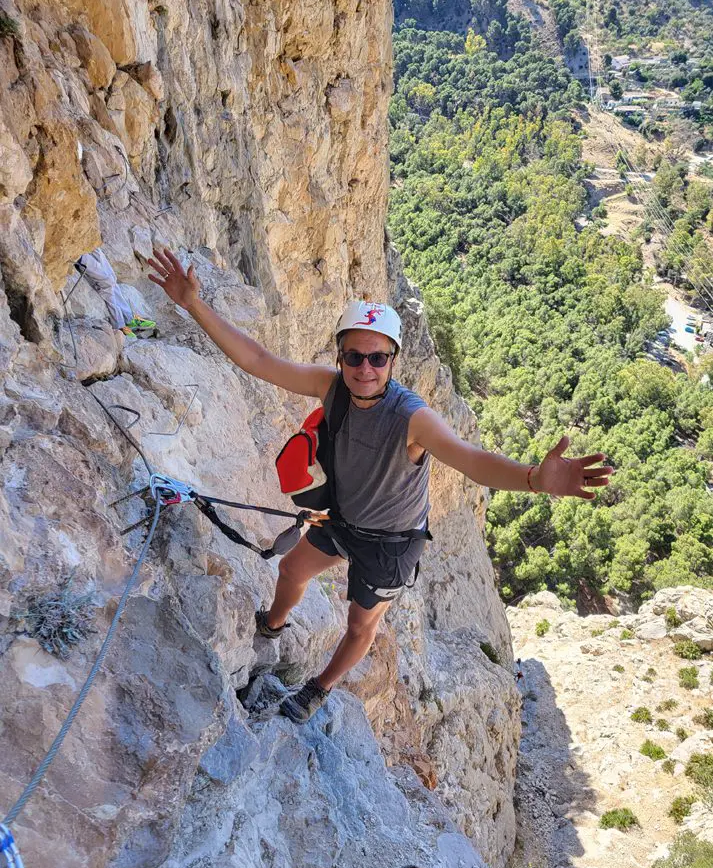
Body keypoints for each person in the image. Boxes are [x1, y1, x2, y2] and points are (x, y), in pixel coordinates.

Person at [148, 248, 613, 724]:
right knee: (291, 570)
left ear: (393, 360)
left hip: (390, 544)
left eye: (378, 357)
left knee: (359, 624)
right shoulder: (331, 387)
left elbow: (472, 461)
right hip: (342, 518)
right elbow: (258, 359)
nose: (365, 368)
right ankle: (272, 626)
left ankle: (318, 688)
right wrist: (193, 304)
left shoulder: (412, 418)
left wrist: (533, 479)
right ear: (340, 356)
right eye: (354, 356)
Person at [76, 247, 156, 341]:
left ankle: (129, 319)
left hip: (87, 244)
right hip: (77, 251)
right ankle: (119, 325)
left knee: (112, 277)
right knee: (106, 283)